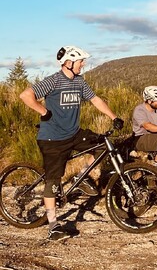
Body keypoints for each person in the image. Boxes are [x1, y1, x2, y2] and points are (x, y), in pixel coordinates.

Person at [19, 45, 124, 242]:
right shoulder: (54, 81)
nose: (83, 64)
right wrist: (43, 112)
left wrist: (113, 116)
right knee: (53, 182)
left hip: (73, 133)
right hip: (53, 138)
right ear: (68, 63)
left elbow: (95, 100)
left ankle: (82, 178)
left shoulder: (79, 82)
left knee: (101, 145)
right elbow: (26, 96)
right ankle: (52, 226)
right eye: (80, 61)